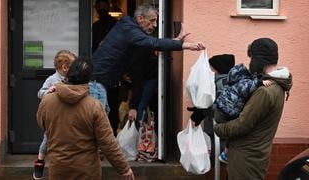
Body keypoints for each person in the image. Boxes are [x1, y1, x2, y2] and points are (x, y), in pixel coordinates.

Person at [90, 3, 205, 135]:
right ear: (140, 19)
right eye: (152, 20)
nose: (155, 25)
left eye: (156, 21)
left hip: (101, 84)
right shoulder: (129, 29)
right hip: (96, 84)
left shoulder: (130, 30)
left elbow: (151, 44)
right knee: (95, 130)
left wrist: (176, 40)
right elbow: (152, 43)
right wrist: (186, 45)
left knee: (99, 129)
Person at [36, 56, 135, 180]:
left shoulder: (48, 101)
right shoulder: (94, 106)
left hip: (59, 169)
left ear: (69, 73)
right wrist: (124, 168)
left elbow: (42, 123)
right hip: (87, 170)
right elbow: (107, 142)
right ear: (88, 80)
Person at [214, 37, 293, 179]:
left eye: (251, 59)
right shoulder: (277, 85)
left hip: (246, 158)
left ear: (258, 61)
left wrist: (218, 128)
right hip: (256, 154)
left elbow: (242, 125)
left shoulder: (264, 91)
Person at [33, 49, 76, 180]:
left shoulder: (71, 79)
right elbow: (40, 93)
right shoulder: (51, 79)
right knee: (47, 138)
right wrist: (49, 91)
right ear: (64, 67)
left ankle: (67, 164)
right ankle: (40, 161)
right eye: (73, 67)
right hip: (53, 115)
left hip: (67, 115)